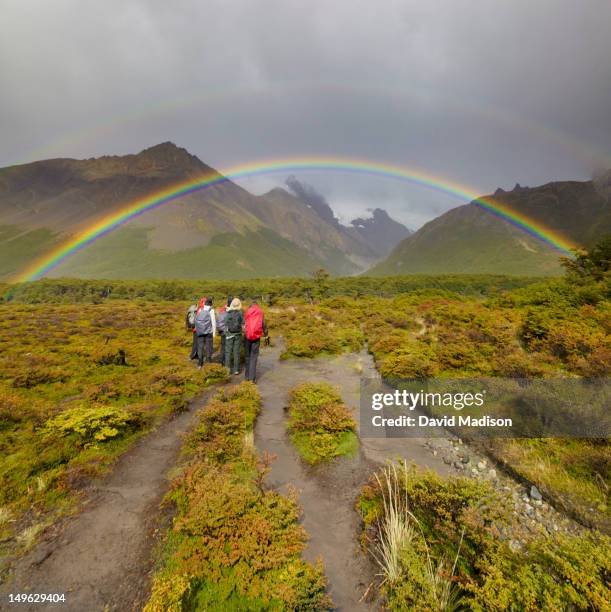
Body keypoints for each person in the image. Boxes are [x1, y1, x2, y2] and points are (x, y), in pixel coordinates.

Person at [244, 300, 268, 383]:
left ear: (251, 305)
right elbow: (263, 324)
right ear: (257, 305)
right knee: (254, 357)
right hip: (256, 337)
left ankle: (246, 376)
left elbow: (244, 324)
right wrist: (266, 335)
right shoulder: (260, 312)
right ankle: (252, 378)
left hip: (247, 336)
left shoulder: (247, 311)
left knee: (247, 356)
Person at [194, 297, 216, 368]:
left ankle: (200, 363)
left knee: (200, 347)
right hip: (208, 332)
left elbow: (196, 320)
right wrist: (214, 333)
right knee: (208, 347)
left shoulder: (200, 309)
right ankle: (208, 361)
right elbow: (213, 322)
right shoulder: (211, 310)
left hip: (200, 331)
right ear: (211, 303)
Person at [224, 297, 243, 375]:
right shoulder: (240, 313)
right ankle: (236, 370)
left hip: (229, 334)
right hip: (238, 334)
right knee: (236, 352)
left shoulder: (228, 313)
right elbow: (243, 322)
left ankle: (227, 369)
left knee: (228, 352)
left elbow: (225, 322)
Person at [215, 296, 232, 366]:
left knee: (223, 347)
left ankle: (222, 361)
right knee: (228, 348)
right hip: (229, 332)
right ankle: (226, 363)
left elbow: (218, 321)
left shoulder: (222, 310)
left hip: (222, 332)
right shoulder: (232, 311)